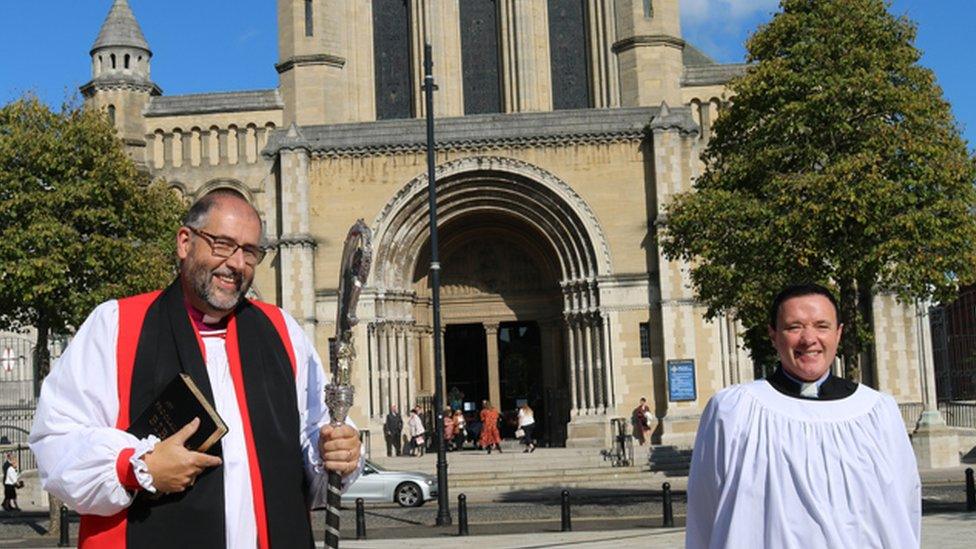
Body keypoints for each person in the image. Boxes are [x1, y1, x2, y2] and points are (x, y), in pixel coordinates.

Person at [29, 189, 364, 548]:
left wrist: (336, 449)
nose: (237, 264)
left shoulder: (282, 331)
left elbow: (315, 435)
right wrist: (138, 468)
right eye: (222, 244)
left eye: (250, 252)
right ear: (185, 242)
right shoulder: (116, 325)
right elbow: (57, 439)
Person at [685, 284, 920, 548]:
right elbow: (704, 510)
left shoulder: (877, 411)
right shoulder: (733, 410)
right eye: (794, 327)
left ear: (839, 333)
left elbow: (904, 506)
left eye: (822, 326)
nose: (809, 339)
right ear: (773, 335)